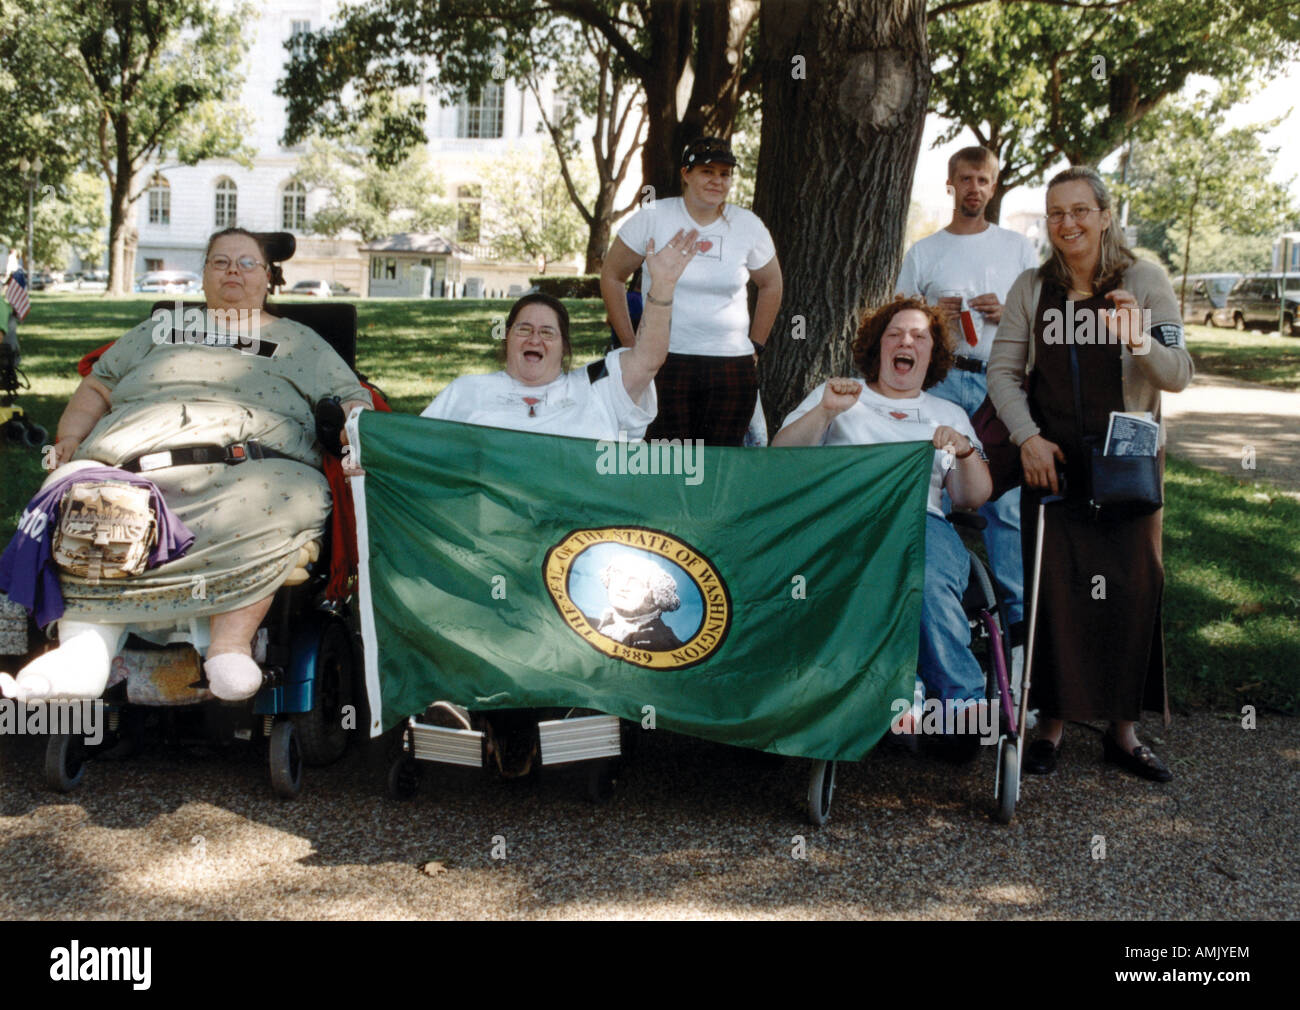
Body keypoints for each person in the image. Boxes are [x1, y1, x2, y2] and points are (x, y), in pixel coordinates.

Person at [0, 227, 372, 703]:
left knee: (282, 501)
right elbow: (98, 386)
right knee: (85, 504)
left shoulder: (301, 341)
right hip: (132, 467)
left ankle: (229, 647)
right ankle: (85, 654)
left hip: (251, 469)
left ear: (267, 279)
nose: (232, 271)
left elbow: (351, 401)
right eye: (220, 262)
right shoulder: (159, 331)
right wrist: (70, 439)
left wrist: (350, 430)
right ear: (203, 277)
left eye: (246, 263)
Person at [987, 165, 1193, 782]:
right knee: (1056, 589)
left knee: (1131, 589)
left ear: (1105, 215)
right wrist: (1026, 437)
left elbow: (1177, 372)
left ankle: (1122, 732)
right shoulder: (1031, 287)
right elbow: (1002, 372)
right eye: (1056, 213)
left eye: (1080, 210)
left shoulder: (1145, 280)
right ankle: (1049, 725)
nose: (1067, 223)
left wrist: (1138, 341)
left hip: (1126, 463)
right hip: (1053, 461)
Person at [773, 297, 992, 745]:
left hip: (923, 522)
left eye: (919, 337)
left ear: (931, 355)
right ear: (878, 348)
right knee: (857, 571)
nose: (905, 341)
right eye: (895, 334)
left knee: (926, 576)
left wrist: (965, 452)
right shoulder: (838, 395)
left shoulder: (948, 415)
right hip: (847, 521)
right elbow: (781, 458)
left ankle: (961, 706)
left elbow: (973, 497)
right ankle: (894, 689)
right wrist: (826, 413)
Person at [897, 146, 1039, 642]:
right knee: (933, 489)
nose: (974, 188)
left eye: (983, 179)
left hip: (998, 379)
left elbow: (1042, 318)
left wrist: (1009, 314)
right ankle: (940, 603)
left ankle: (1015, 616)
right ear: (951, 185)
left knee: (1003, 505)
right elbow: (901, 320)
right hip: (941, 378)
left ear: (993, 186)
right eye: (965, 179)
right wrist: (933, 313)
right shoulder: (924, 251)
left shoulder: (1019, 249)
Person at [422, 229, 700, 439]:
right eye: (524, 329)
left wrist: (662, 286)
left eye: (547, 332)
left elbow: (648, 359)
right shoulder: (467, 390)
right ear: (506, 339)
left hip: (584, 514)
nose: (534, 339)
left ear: (564, 347)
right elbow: (410, 446)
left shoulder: (594, 384)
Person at [600, 136, 782, 446]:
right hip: (663, 362)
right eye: (707, 172)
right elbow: (612, 276)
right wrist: (632, 345)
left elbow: (771, 283)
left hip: (731, 367)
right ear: (686, 174)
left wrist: (756, 346)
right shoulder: (654, 216)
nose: (717, 181)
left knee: (720, 466)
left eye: (725, 174)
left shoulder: (747, 224)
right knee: (666, 463)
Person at [592, 555, 683, 650]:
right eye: (618, 576)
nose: (622, 586)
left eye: (635, 582)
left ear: (656, 596)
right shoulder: (590, 624)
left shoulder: (666, 646)